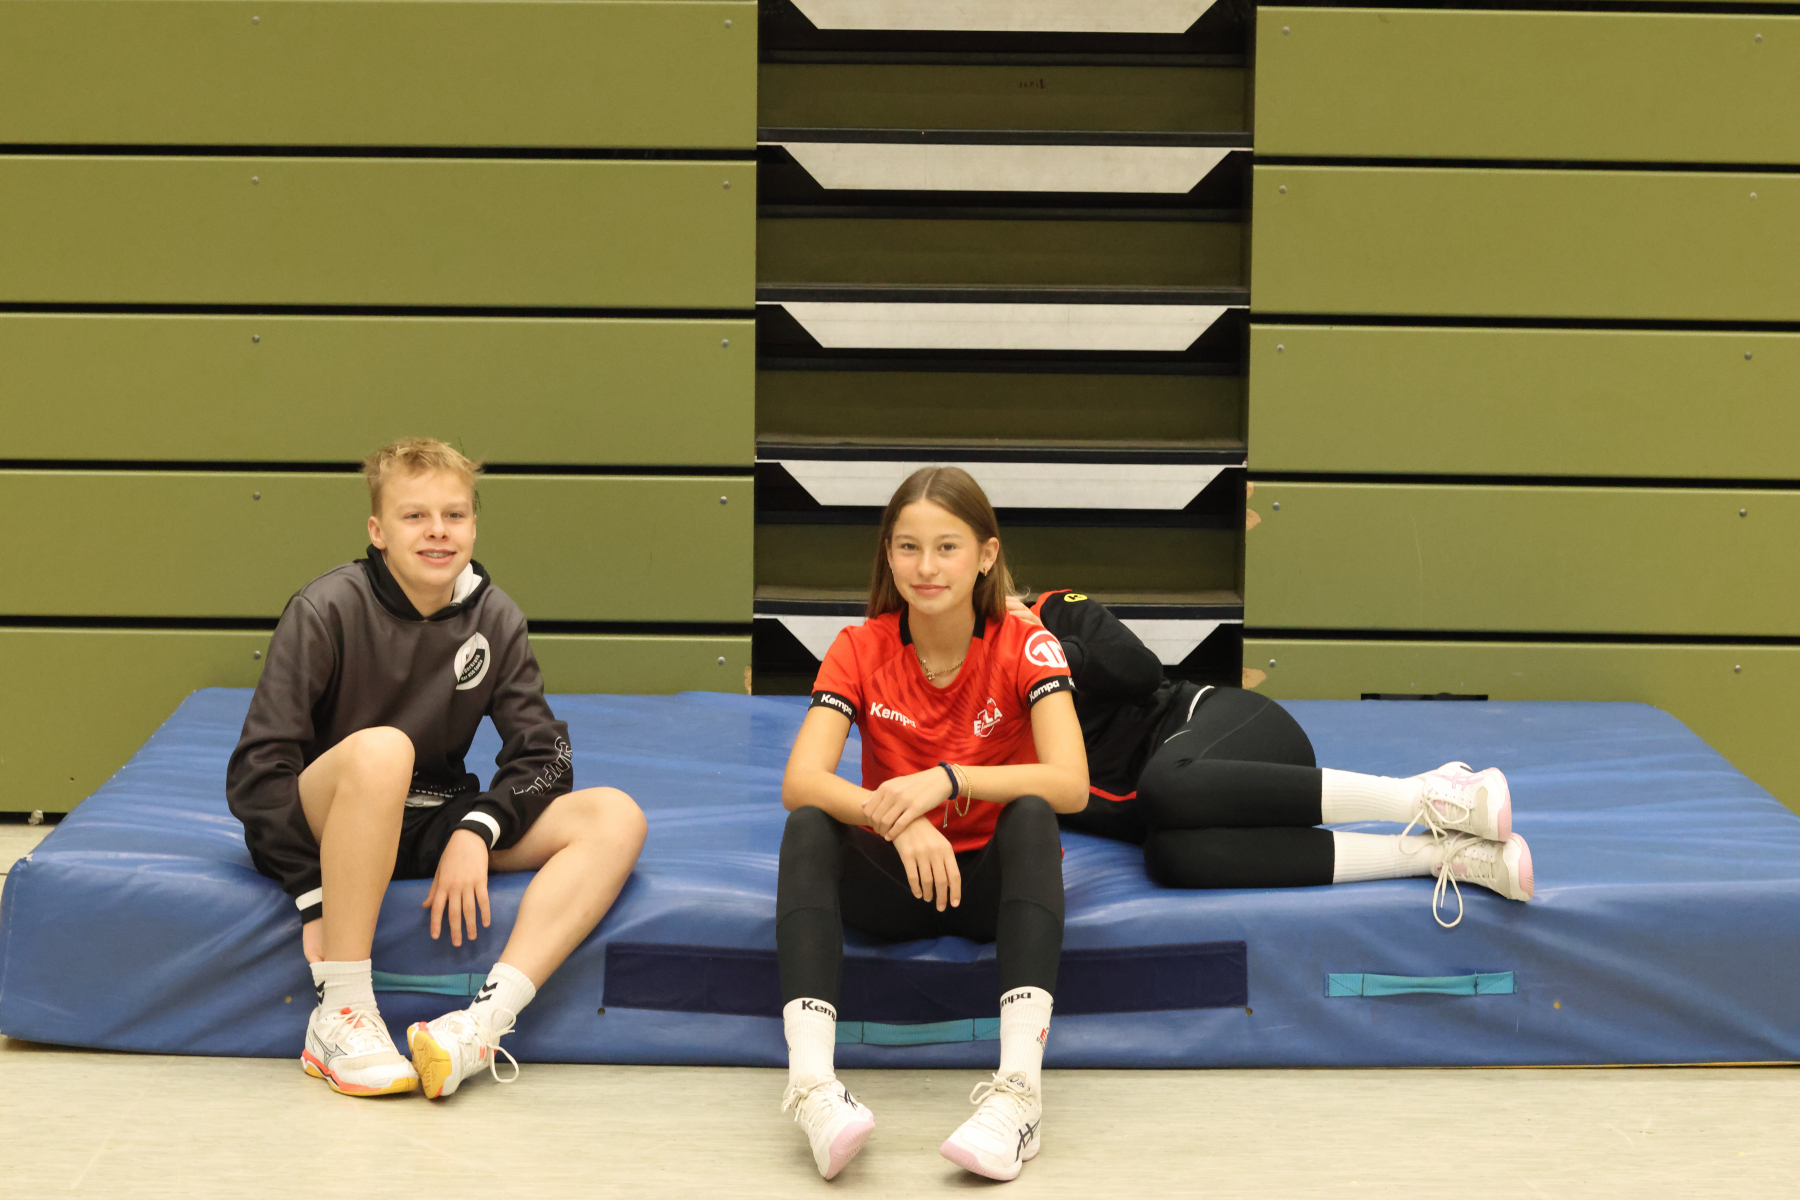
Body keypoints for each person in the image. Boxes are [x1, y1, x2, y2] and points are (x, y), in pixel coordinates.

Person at [227, 438, 647, 1099]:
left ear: (474, 525)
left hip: (430, 818)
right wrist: (312, 891)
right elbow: (258, 772)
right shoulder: (326, 609)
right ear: (378, 531)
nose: (437, 531)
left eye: (454, 515)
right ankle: (341, 1013)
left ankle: (478, 1028)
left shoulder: (495, 616)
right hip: (332, 821)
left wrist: (476, 830)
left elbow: (546, 755)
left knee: (615, 815)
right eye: (415, 516)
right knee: (385, 749)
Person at [776, 467, 1088, 1183]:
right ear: (888, 555)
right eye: (908, 547)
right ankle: (814, 1089)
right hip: (897, 880)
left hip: (990, 888)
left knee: (1033, 815)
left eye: (947, 547)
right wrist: (897, 820)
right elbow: (801, 781)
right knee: (810, 826)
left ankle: (1019, 1095)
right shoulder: (859, 646)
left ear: (985, 555)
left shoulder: (1026, 642)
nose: (926, 567)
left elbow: (1071, 782)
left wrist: (949, 780)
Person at [1017, 590, 1532, 928]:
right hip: (1196, 814)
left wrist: (1040, 653)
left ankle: (1424, 796)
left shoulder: (1050, 612)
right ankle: (1438, 857)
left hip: (1231, 733)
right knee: (1169, 858)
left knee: (1164, 787)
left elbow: (1142, 671)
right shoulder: (976, 720)